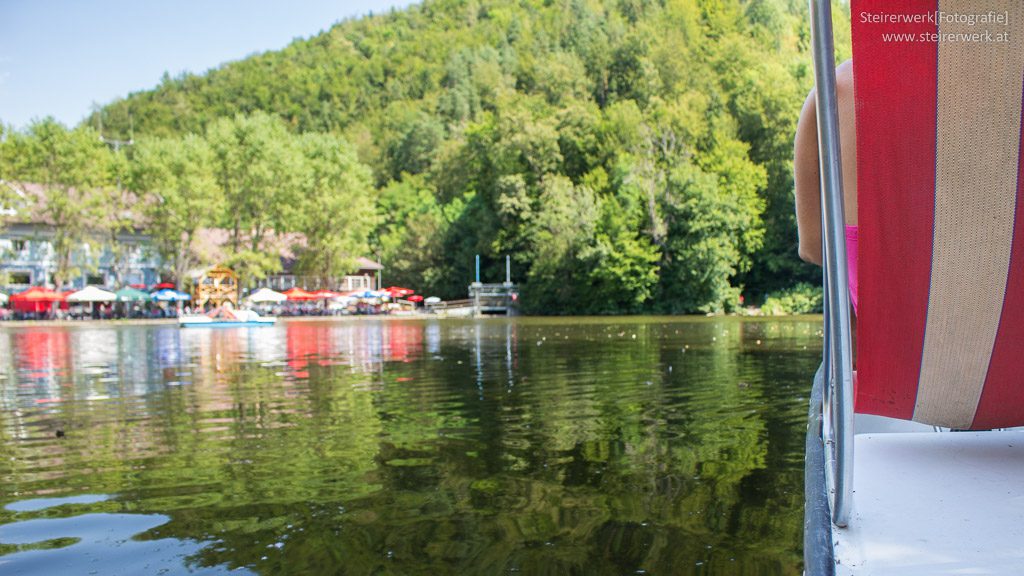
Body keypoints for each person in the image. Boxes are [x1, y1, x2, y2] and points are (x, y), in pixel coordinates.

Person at [794, 59, 858, 313]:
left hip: (889, 341)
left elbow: (813, 247)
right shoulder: (982, 88)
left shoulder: (832, 89)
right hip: (988, 346)